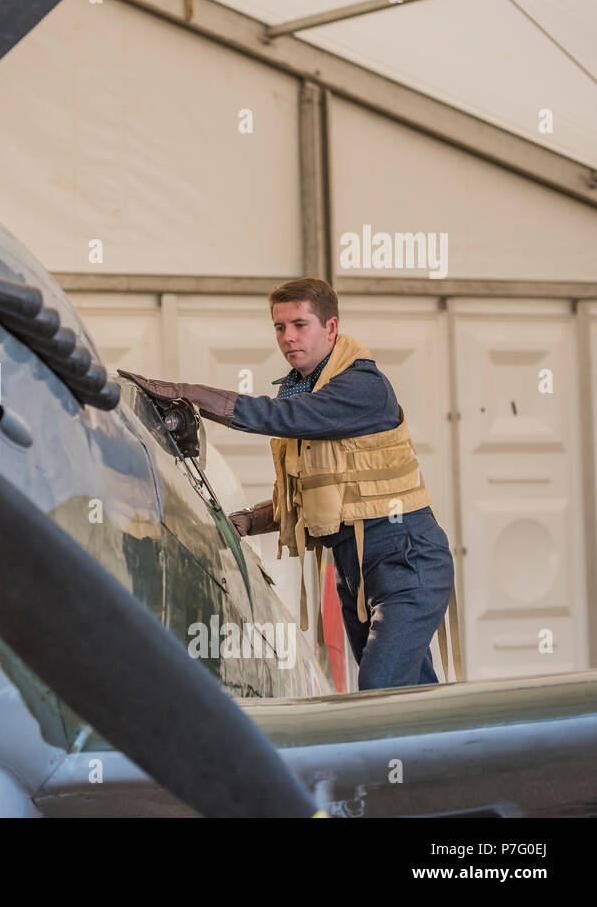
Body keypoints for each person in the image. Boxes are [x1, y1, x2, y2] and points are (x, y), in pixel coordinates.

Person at [118, 277, 460, 689]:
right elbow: (304, 499)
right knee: (408, 696)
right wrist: (245, 520)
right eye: (279, 327)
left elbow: (278, 417)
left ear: (331, 328)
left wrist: (187, 395)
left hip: (406, 560)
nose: (287, 337)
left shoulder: (361, 388)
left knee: (379, 693)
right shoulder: (307, 390)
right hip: (356, 570)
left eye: (300, 325)